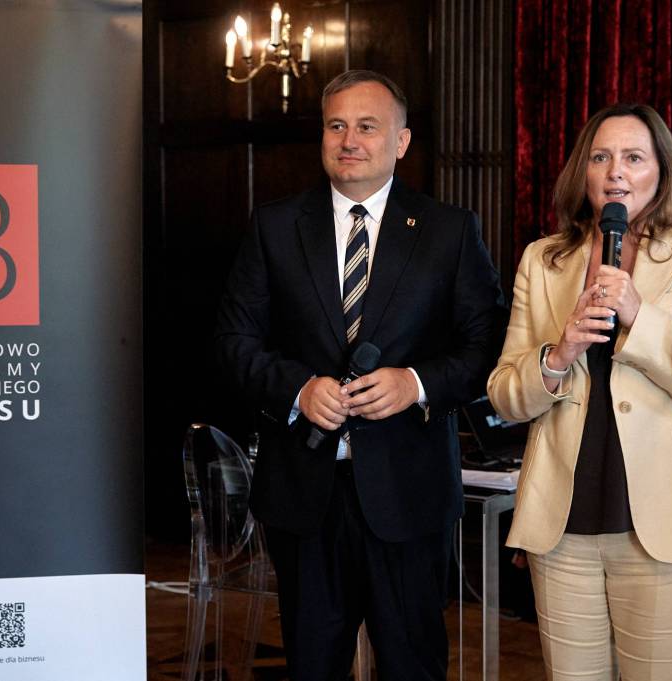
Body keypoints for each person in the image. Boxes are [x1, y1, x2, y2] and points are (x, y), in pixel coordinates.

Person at [215, 70, 505, 680]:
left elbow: (486, 346)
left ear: (401, 141)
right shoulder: (274, 227)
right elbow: (235, 342)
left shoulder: (450, 231)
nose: (349, 140)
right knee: (312, 666)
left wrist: (415, 384)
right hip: (304, 495)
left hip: (409, 493)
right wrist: (297, 389)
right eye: (336, 126)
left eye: (367, 127)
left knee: (412, 665)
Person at [487, 103, 672, 681]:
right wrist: (557, 356)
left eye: (634, 157)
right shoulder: (544, 259)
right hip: (563, 529)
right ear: (582, 170)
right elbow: (505, 396)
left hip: (669, 527)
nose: (615, 173)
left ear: (661, 170)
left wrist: (639, 316)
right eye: (601, 157)